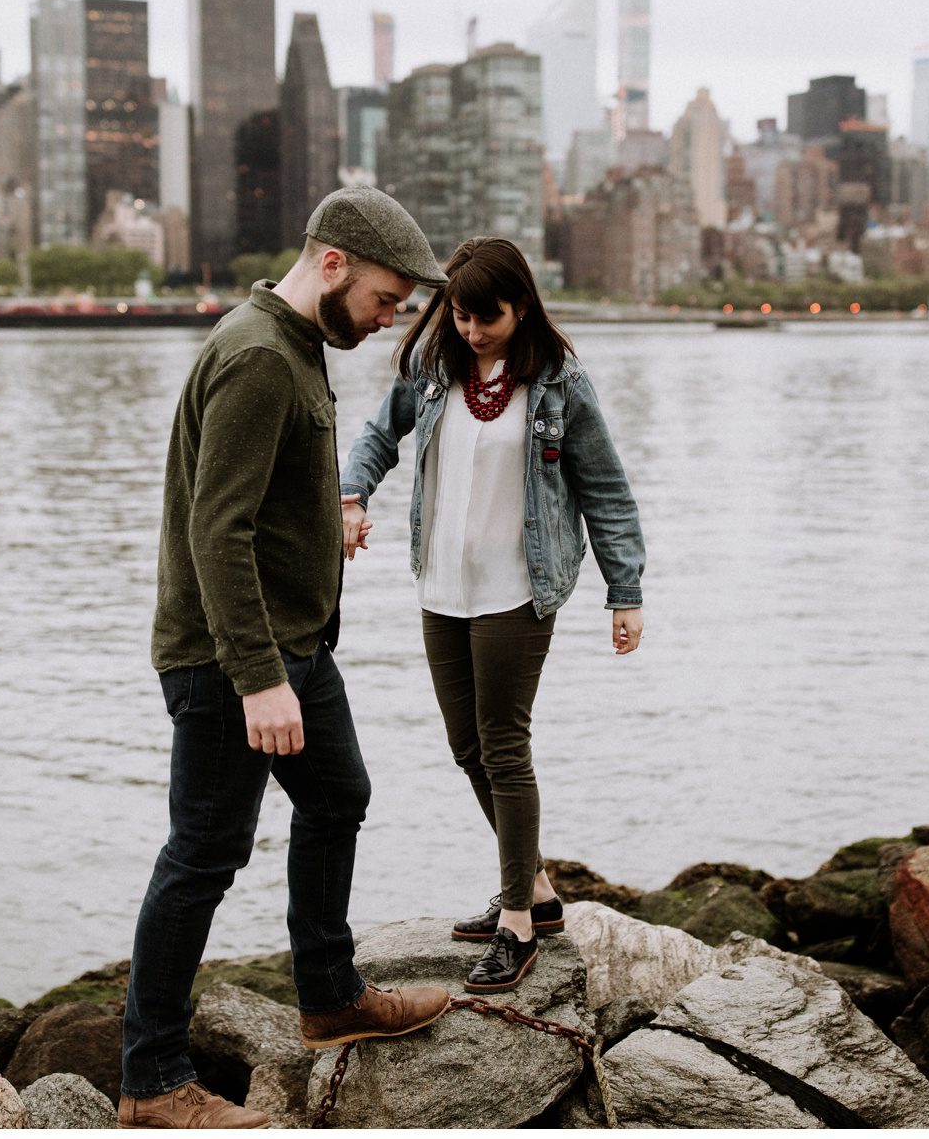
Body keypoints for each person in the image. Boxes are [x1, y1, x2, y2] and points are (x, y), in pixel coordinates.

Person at [120, 186, 455, 1129]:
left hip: (296, 648)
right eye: (389, 299)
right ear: (335, 263)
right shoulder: (260, 356)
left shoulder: (299, 346)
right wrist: (260, 678)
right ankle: (151, 1083)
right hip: (237, 663)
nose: (393, 319)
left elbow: (261, 502)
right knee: (203, 857)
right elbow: (215, 529)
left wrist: (330, 515)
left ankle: (329, 996)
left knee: (339, 797)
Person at [339, 237, 646, 996]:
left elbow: (605, 490)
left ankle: (516, 922)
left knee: (504, 746)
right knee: (466, 745)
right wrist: (353, 492)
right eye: (462, 315)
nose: (473, 331)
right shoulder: (433, 368)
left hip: (518, 589)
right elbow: (381, 434)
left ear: (522, 306)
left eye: (489, 317)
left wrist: (625, 591)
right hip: (441, 585)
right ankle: (536, 893)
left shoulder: (559, 384)